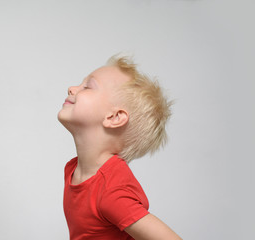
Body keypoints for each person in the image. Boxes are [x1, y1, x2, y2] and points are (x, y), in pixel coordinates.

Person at [57, 54, 182, 240]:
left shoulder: (111, 190)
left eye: (87, 87)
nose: (72, 88)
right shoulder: (73, 170)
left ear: (114, 117)